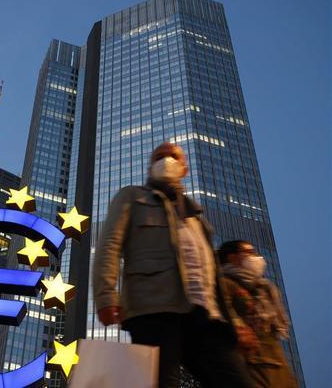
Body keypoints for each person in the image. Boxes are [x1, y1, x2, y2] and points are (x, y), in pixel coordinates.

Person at [92, 142, 252, 388]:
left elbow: (214, 276)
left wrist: (236, 323)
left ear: (184, 168)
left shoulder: (197, 216)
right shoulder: (132, 197)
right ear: (149, 166)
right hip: (154, 309)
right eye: (160, 156)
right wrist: (106, 296)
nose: (166, 160)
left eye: (173, 156)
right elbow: (109, 245)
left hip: (206, 316)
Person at [218, 240, 297, 387]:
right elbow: (225, 321)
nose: (256, 257)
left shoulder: (264, 289)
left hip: (279, 367)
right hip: (252, 367)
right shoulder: (225, 284)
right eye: (248, 252)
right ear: (232, 258)